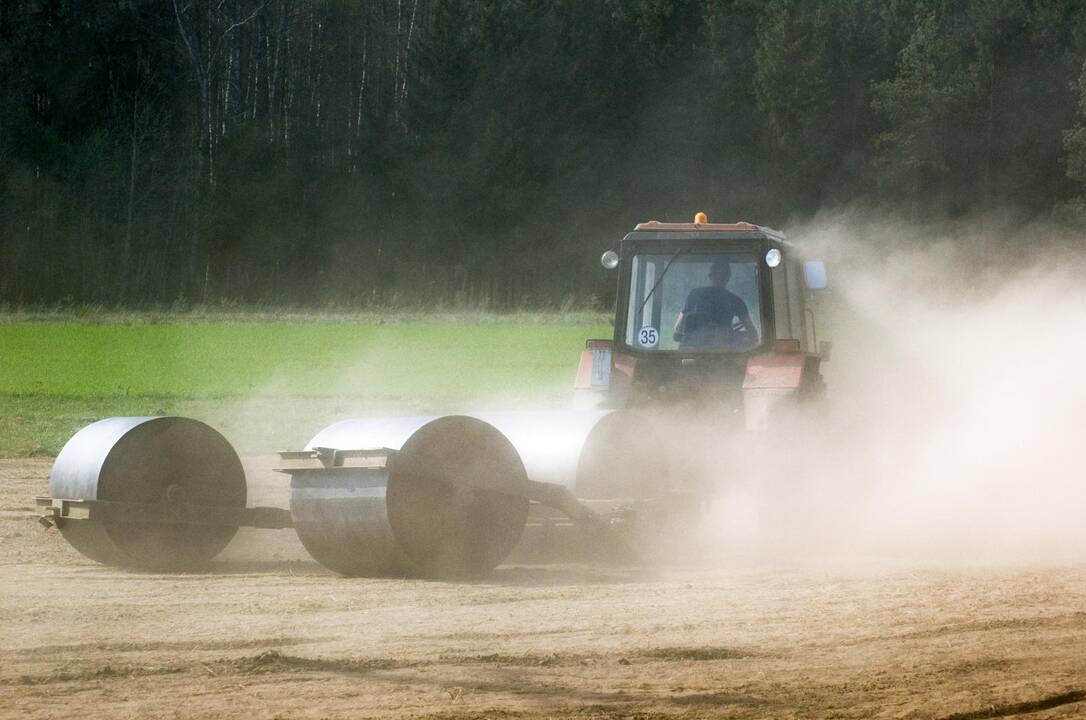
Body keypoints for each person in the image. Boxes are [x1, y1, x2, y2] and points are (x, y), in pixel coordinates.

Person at [672, 258, 759, 349]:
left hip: (697, 355)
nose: (720, 278)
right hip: (725, 356)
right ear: (728, 277)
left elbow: (678, 328)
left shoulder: (695, 295)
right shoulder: (736, 301)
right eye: (721, 276)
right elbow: (754, 336)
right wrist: (735, 337)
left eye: (722, 276)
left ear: (710, 276)